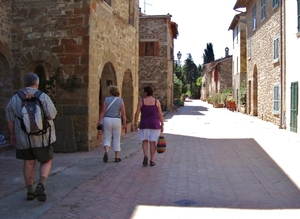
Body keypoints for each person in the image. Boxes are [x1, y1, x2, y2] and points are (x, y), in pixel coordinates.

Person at [5, 72, 57, 202]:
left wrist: (12, 135)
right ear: (37, 84)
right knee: (46, 160)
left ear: (25, 84)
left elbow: (10, 119)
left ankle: (30, 191)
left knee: (28, 162)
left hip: (24, 138)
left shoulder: (15, 99)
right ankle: (42, 184)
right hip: (43, 137)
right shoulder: (43, 96)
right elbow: (52, 114)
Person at [134, 85, 164, 166]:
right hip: (154, 124)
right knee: (152, 142)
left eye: (144, 91)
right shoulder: (156, 102)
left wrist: (135, 124)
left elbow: (137, 114)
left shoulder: (141, 101)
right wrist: (162, 124)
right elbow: (160, 114)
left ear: (146, 92)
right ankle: (152, 160)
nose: (143, 93)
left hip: (144, 123)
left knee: (145, 141)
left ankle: (145, 156)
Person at [97, 86, 126, 163]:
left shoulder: (106, 100)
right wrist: (124, 123)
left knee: (107, 137)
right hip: (116, 120)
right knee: (117, 138)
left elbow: (103, 111)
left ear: (110, 92)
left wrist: (99, 120)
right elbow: (123, 113)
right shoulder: (120, 100)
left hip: (107, 119)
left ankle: (106, 151)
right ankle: (117, 157)